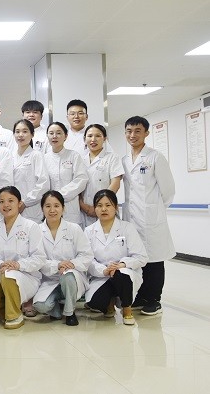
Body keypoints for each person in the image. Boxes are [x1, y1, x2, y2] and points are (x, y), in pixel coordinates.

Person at [122, 116, 176, 316]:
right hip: (131, 218)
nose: (133, 135)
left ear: (146, 133)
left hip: (152, 218)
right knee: (138, 258)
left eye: (137, 131)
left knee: (154, 260)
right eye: (129, 131)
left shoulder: (155, 157)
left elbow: (168, 190)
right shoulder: (124, 160)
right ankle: (142, 296)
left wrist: (154, 209)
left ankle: (154, 299)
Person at [0, 186, 46, 329]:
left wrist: (18, 265)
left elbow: (39, 258)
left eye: (10, 201)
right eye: (1, 201)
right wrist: (1, 265)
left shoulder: (31, 226)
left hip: (26, 276)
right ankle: (10, 309)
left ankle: (14, 316)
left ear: (19, 203)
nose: (6, 205)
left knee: (9, 274)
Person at [85, 189, 148, 325]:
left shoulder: (127, 228)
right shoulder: (89, 231)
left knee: (120, 275)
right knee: (95, 303)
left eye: (108, 205)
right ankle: (110, 301)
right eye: (99, 205)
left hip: (124, 273)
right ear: (95, 209)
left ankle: (127, 309)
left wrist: (122, 264)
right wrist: (104, 270)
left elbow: (141, 257)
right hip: (102, 275)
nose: (104, 209)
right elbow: (87, 259)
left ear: (116, 207)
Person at [33, 191, 92, 326]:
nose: (52, 210)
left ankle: (70, 313)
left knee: (68, 276)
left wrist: (71, 264)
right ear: (42, 209)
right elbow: (36, 259)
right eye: (48, 206)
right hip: (49, 279)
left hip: (72, 277)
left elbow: (86, 255)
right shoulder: (36, 231)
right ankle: (58, 307)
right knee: (40, 306)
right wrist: (57, 265)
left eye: (56, 206)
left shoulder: (74, 229)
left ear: (63, 208)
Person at [44, 122, 88, 225]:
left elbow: (81, 180)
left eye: (59, 133)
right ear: (47, 136)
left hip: (70, 207)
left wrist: (59, 196)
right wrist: (51, 200)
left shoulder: (74, 156)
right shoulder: (44, 158)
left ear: (66, 136)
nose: (54, 136)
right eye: (51, 133)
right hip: (49, 207)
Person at [79, 124, 123, 228]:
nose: (93, 139)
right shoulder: (80, 160)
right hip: (84, 212)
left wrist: (100, 206)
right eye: (90, 136)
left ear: (104, 139)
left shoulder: (112, 158)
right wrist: (84, 206)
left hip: (106, 209)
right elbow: (77, 187)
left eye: (98, 136)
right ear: (84, 139)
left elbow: (115, 183)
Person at [11, 119, 49, 223]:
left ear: (32, 134)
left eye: (25, 131)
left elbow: (43, 184)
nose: (20, 135)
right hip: (12, 207)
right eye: (17, 132)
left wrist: (25, 202)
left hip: (31, 208)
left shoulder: (36, 155)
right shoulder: (10, 156)